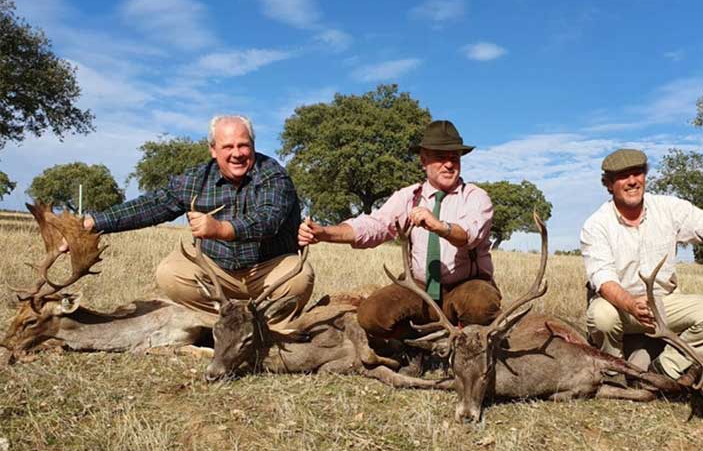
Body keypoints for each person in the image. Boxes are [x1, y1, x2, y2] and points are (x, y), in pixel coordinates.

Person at [83, 114, 314, 332]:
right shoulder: (196, 179)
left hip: (266, 271)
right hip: (217, 272)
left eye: (243, 145)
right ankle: (220, 326)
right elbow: (152, 205)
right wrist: (93, 223)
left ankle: (268, 329)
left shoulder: (273, 175)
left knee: (299, 277)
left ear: (253, 146)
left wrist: (220, 229)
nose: (237, 153)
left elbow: (268, 219)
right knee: (170, 274)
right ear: (213, 150)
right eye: (228, 147)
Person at [297, 119, 501, 343]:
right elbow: (374, 225)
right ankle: (417, 345)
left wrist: (440, 226)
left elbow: (469, 235)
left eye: (454, 158)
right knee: (371, 315)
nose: (449, 165)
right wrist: (326, 233)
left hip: (466, 285)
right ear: (424, 160)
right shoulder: (408, 197)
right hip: (419, 287)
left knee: (482, 304)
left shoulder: (475, 197)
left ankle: (466, 345)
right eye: (440, 158)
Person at [580, 148, 703, 379]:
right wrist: (632, 305)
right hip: (621, 307)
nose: (633, 181)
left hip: (665, 304)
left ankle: (666, 367)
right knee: (601, 317)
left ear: (645, 176)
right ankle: (613, 370)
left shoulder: (670, 208)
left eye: (637, 173)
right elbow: (603, 280)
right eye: (623, 176)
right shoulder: (596, 225)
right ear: (608, 183)